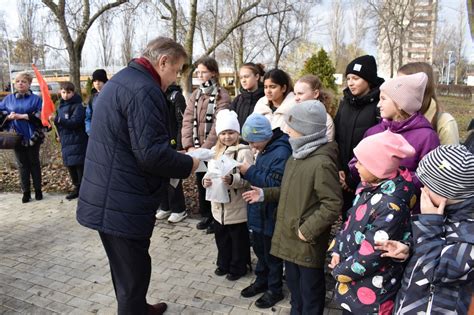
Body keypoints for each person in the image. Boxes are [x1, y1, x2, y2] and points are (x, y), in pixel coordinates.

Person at [76, 37, 200, 315]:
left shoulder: (122, 80)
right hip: (121, 200)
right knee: (133, 273)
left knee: (125, 269)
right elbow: (151, 154)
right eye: (176, 70)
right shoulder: (144, 90)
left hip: (109, 194)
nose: (176, 77)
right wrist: (188, 163)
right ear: (163, 61)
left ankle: (138, 308)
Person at [243, 100, 343, 315]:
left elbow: (332, 204)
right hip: (290, 238)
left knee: (310, 295)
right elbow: (288, 191)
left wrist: (307, 230)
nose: (286, 130)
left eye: (292, 126)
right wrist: (264, 194)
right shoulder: (296, 156)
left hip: (306, 242)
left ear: (306, 130)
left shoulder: (321, 162)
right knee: (296, 293)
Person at [375, 145, 474, 315]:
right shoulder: (444, 215)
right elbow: (435, 248)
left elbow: (438, 272)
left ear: (447, 192)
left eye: (428, 186)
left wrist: (430, 224)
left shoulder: (468, 233)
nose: (423, 190)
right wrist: (409, 250)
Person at [328, 130, 418, 315]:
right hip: (353, 280)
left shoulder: (391, 205)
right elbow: (349, 223)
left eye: (361, 162)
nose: (356, 166)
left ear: (378, 167)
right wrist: (336, 249)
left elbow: (373, 253)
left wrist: (340, 271)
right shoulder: (368, 188)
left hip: (372, 294)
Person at [355, 73, 440, 201]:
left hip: (405, 208)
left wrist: (394, 180)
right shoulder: (374, 131)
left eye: (383, 99)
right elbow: (355, 162)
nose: (378, 104)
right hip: (368, 203)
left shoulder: (427, 137)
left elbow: (430, 177)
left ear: (400, 103)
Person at [238, 113, 292, 309]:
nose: (252, 147)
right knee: (260, 250)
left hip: (271, 214)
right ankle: (262, 280)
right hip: (259, 212)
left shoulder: (281, 152)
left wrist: (249, 171)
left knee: (272, 255)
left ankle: (274, 289)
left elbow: (275, 185)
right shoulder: (266, 149)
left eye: (254, 142)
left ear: (264, 136)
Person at [202, 109, 253, 281]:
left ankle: (239, 266)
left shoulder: (244, 152)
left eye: (230, 132)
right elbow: (208, 173)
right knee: (221, 238)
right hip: (218, 207)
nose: (227, 137)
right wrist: (205, 181)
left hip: (236, 207)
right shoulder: (215, 152)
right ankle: (223, 262)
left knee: (238, 240)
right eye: (223, 133)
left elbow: (249, 179)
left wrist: (233, 180)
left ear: (237, 133)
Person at [181, 56, 231, 233]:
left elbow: (219, 124)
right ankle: (206, 215)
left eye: (204, 72)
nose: (200, 75)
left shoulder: (221, 95)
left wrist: (205, 148)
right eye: (198, 72)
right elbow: (187, 119)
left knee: (215, 181)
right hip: (196, 146)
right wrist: (189, 145)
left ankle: (215, 218)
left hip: (214, 149)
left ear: (213, 73)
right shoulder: (196, 94)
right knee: (202, 182)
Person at [334, 55, 384, 219]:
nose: (350, 82)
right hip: (343, 176)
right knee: (347, 219)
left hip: (367, 178)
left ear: (368, 80)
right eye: (348, 78)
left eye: (356, 78)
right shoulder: (345, 103)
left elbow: (377, 146)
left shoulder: (379, 106)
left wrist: (353, 176)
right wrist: (341, 168)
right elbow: (337, 136)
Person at [0, 71, 44, 203]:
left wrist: (23, 116)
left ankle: (38, 191)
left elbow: (41, 115)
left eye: (24, 81)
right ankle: (26, 192)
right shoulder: (8, 99)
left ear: (29, 84)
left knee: (34, 163)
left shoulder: (36, 99)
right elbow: (1, 113)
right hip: (15, 136)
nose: (20, 84)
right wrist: (8, 116)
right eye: (18, 81)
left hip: (33, 135)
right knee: (22, 165)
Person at [398, 62, 459, 145]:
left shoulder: (445, 123)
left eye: (403, 84)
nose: (397, 89)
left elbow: (451, 156)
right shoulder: (397, 114)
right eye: (397, 84)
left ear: (423, 86)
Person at [155, 83, 188, 223]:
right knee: (161, 175)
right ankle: (165, 206)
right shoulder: (156, 94)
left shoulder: (176, 97)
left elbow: (182, 122)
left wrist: (180, 144)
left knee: (174, 177)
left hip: (173, 142)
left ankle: (178, 209)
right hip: (159, 142)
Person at [54, 81, 88, 200]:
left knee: (79, 166)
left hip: (77, 140)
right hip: (66, 141)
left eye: (68, 92)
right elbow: (57, 125)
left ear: (73, 93)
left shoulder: (78, 106)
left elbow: (75, 122)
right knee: (70, 166)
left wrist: (58, 120)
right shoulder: (60, 107)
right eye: (63, 92)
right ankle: (76, 187)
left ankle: (82, 189)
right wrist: (56, 135)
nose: (66, 95)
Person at [293, 74, 335, 141]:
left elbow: (326, 146)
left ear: (315, 94)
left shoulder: (325, 119)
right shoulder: (293, 115)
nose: (296, 98)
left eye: (300, 93)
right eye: (295, 94)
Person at [229, 62, 265, 131]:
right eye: (241, 78)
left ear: (257, 77)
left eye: (246, 77)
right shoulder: (238, 100)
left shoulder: (265, 99)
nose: (243, 80)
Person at [85, 69, 108, 136]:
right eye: (95, 81)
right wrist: (89, 131)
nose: (97, 83)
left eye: (99, 80)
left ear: (105, 81)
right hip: (96, 133)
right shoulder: (92, 98)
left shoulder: (111, 95)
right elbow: (88, 117)